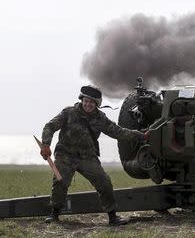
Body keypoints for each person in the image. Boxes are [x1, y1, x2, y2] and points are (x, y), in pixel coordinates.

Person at [40, 85, 149, 226]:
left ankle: (112, 217)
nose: (88, 104)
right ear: (81, 99)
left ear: (97, 104)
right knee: (60, 182)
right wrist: (46, 145)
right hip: (65, 155)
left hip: (87, 157)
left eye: (92, 102)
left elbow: (118, 132)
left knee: (104, 182)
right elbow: (49, 126)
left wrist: (141, 136)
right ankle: (54, 214)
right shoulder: (69, 112)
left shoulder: (100, 118)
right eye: (86, 100)